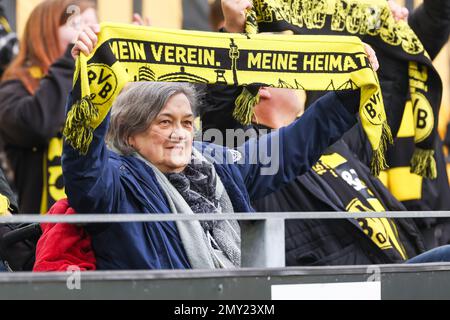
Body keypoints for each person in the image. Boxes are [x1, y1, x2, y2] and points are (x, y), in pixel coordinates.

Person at [62, 14, 382, 269]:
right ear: (130, 134)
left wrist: (351, 92)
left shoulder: (215, 165)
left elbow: (290, 148)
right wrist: (91, 84)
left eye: (187, 122)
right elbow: (83, 153)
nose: (180, 133)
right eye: (165, 122)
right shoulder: (113, 184)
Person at [0, 0, 98, 214]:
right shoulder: (14, 88)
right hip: (37, 235)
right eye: (78, 24)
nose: (90, 33)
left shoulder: (94, 87)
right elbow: (36, 125)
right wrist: (70, 60)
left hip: (91, 234)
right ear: (45, 33)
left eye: (93, 24)